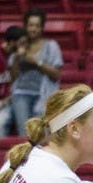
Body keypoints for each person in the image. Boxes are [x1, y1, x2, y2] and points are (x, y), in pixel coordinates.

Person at [10, 7, 63, 137]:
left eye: (37, 26)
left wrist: (37, 62)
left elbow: (56, 74)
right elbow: (13, 77)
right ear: (26, 26)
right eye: (30, 25)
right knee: (25, 136)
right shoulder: (19, 45)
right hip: (21, 95)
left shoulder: (51, 46)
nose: (33, 29)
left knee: (42, 135)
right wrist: (17, 57)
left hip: (44, 96)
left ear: (42, 28)